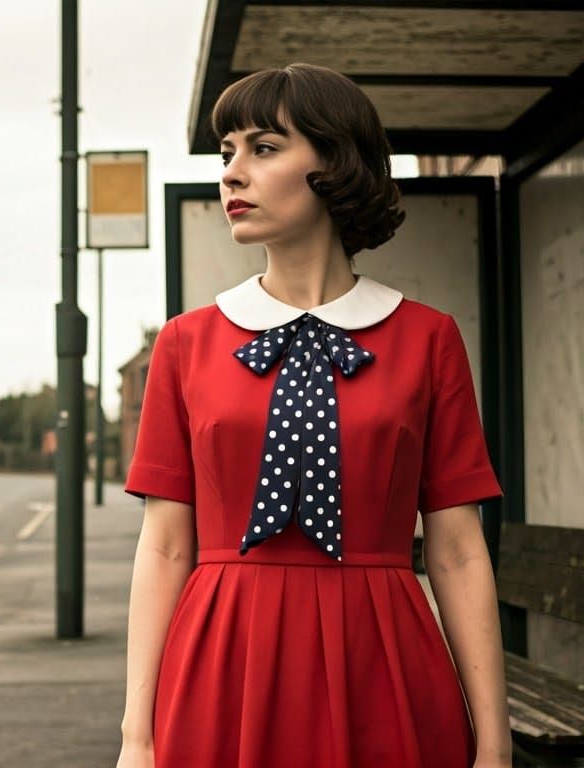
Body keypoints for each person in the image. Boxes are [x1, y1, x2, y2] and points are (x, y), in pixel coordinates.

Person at [116, 63, 514, 768]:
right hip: (221, 665)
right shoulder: (185, 344)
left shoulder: (427, 339)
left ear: (335, 164)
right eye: (227, 153)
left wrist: (495, 743)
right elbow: (166, 546)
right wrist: (136, 737)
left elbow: (456, 549)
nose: (232, 173)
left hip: (383, 662)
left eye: (263, 148)